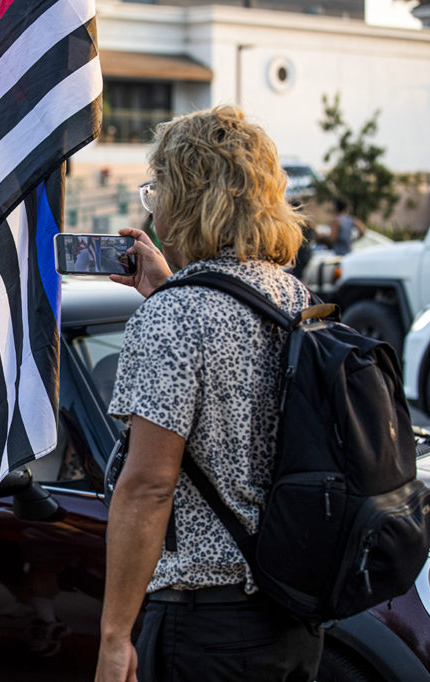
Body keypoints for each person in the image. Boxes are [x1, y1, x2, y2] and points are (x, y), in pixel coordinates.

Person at [95, 106, 323, 682]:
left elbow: (147, 487)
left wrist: (115, 637)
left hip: (207, 620)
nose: (155, 204)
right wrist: (166, 287)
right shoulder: (290, 293)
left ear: (187, 196)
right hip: (289, 611)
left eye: (157, 189)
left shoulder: (177, 316)